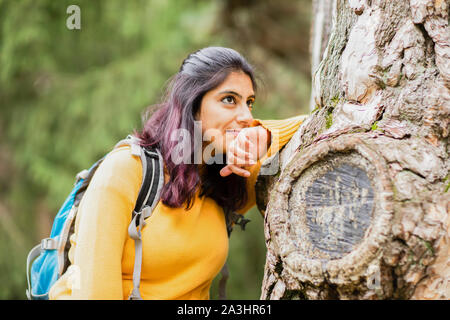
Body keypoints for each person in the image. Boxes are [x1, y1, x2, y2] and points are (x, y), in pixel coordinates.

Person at [49, 47, 308, 300]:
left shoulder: (229, 177)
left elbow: (317, 126)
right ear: (192, 104)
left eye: (249, 102)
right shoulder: (126, 171)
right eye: (229, 99)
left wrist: (263, 134)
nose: (246, 116)